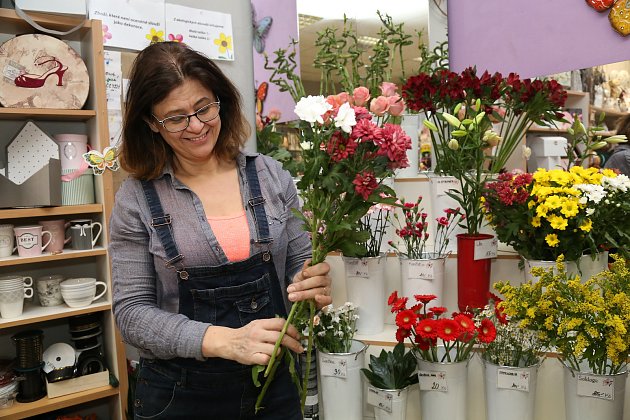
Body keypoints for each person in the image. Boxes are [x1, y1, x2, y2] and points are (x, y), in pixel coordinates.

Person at [109, 41, 332, 419]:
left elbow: (300, 264)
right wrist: (224, 341)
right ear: (151, 124)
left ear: (220, 101)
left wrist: (315, 283)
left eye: (203, 108)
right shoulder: (137, 199)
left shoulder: (269, 175)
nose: (196, 126)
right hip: (179, 396)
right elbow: (131, 315)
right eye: (176, 118)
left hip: (274, 386)